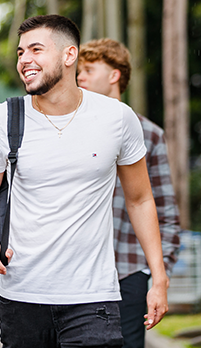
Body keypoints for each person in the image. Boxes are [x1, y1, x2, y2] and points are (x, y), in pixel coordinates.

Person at [0, 14, 169, 348]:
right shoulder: (3, 119)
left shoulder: (117, 119)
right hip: (21, 295)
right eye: (20, 53)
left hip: (94, 298)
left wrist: (159, 277)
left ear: (69, 55)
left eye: (36, 50)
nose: (25, 60)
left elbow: (140, 199)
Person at [77, 38, 181, 348]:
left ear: (114, 75)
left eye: (88, 69)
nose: (79, 76)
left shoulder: (149, 134)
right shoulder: (69, 129)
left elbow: (165, 210)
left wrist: (152, 274)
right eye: (78, 70)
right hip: (77, 274)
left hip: (129, 273)